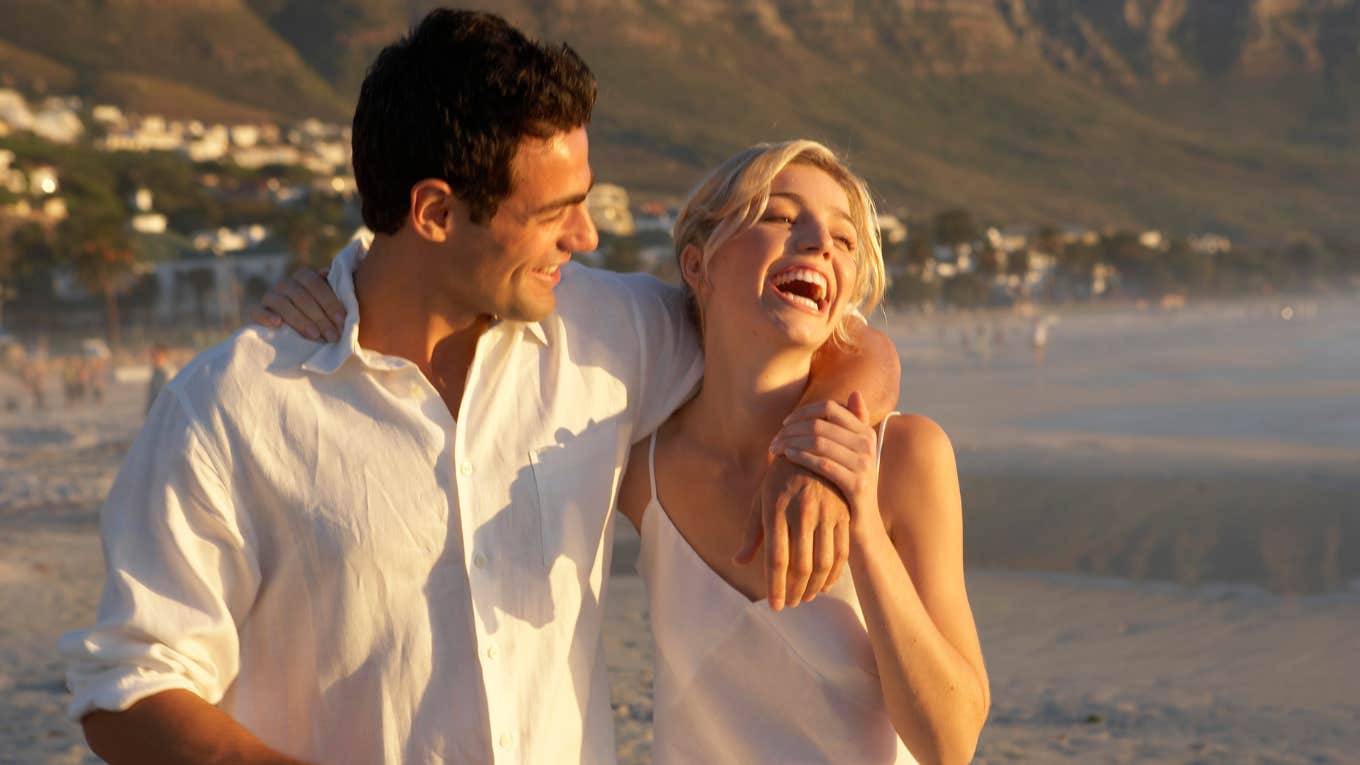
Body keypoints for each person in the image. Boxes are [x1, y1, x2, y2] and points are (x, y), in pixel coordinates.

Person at [61, 9, 899, 765]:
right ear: (433, 212)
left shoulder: (613, 332)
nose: (587, 232)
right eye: (554, 212)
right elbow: (128, 685)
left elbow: (824, 334)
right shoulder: (233, 407)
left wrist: (817, 443)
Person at [264, 141, 989, 762]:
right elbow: (458, 300)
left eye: (842, 238)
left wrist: (858, 518)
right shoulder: (639, 465)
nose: (818, 245)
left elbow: (950, 741)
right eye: (780, 216)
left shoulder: (905, 456)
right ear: (698, 265)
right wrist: (339, 292)